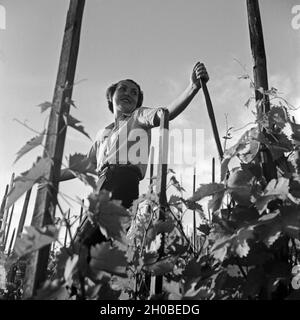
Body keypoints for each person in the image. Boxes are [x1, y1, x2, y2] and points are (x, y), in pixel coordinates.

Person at [61, 61, 209, 247]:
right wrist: (48, 177)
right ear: (111, 96)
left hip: (123, 183)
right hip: (101, 185)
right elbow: (81, 167)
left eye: (134, 93)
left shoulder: (139, 116)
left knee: (89, 243)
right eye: (123, 89)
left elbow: (165, 113)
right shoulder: (103, 133)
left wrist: (193, 87)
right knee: (85, 244)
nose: (128, 94)